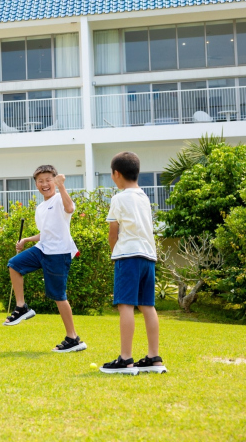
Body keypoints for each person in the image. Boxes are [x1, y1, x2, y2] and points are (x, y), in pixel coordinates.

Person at [3, 165, 87, 353]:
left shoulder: (59, 198)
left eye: (48, 180)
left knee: (58, 296)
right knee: (14, 264)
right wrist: (27, 240)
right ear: (36, 184)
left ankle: (73, 338)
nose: (44, 184)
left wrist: (62, 186)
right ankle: (21, 307)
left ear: (55, 181)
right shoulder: (40, 208)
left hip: (59, 252)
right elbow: (46, 233)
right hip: (43, 249)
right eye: (40, 181)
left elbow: (70, 208)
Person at [100, 152, 167, 375]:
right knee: (147, 305)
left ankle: (126, 359)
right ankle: (154, 357)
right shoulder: (144, 197)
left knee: (125, 305)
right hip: (148, 257)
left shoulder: (118, 198)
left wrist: (115, 254)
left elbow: (113, 233)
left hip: (127, 256)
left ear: (116, 174)